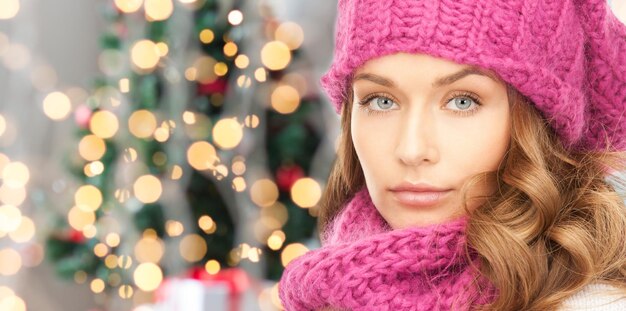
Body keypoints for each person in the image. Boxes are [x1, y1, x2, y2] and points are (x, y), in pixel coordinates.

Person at [279, 0, 626, 310]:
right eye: (381, 101)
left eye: (463, 101)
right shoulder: (330, 288)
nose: (411, 150)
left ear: (538, 122)